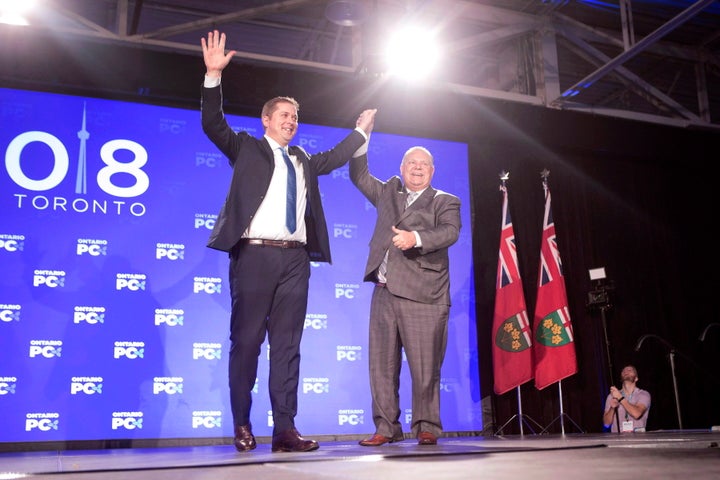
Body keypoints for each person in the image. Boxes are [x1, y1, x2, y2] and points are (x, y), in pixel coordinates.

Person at [200, 30, 377, 453]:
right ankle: (242, 425)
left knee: (288, 347)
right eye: (283, 116)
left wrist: (360, 132)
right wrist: (212, 75)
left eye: (295, 118)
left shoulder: (302, 160)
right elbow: (212, 123)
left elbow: (334, 158)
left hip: (296, 261)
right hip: (255, 255)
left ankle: (285, 430)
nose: (291, 122)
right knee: (246, 343)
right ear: (266, 120)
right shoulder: (245, 148)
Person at [350, 145, 461, 446]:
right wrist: (363, 137)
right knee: (381, 366)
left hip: (424, 294)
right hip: (384, 292)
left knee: (425, 368)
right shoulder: (388, 193)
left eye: (423, 164)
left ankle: (426, 425)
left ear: (432, 171)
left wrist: (416, 238)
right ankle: (386, 428)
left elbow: (450, 232)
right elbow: (358, 175)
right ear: (401, 167)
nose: (417, 167)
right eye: (411, 162)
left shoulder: (445, 201)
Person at [603, 364, 651, 433]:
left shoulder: (643, 394)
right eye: (623, 371)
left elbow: (637, 414)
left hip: (638, 440)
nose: (626, 371)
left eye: (630, 370)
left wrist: (620, 398)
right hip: (617, 440)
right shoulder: (612, 396)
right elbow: (606, 424)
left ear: (636, 378)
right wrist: (612, 408)